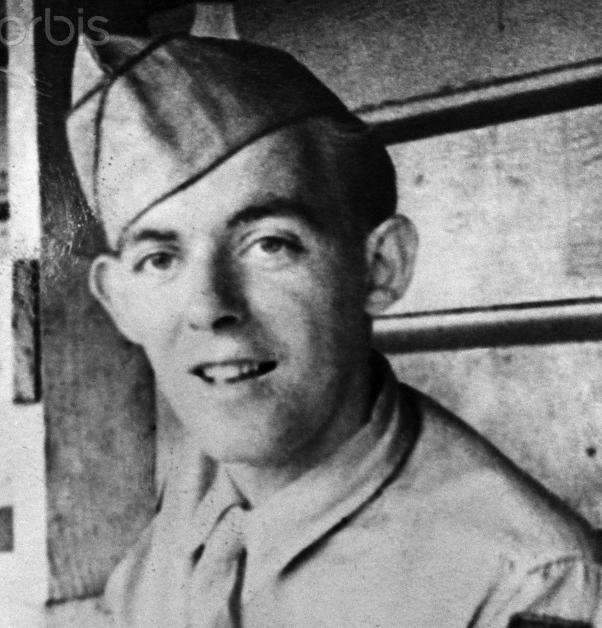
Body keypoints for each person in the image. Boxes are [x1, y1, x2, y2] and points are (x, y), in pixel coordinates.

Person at [66, 33, 602, 628]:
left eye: (269, 244)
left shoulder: (526, 588)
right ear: (120, 302)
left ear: (381, 267)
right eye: (161, 259)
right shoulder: (197, 489)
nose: (209, 307)